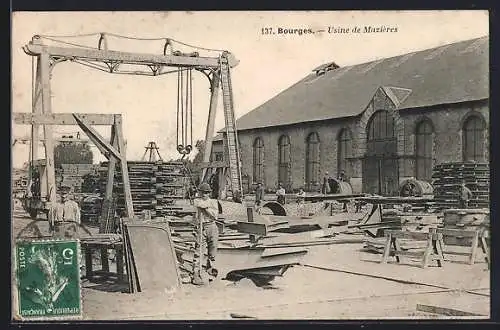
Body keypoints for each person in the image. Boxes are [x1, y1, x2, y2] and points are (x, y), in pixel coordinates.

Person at [192, 183, 220, 285]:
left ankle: (210, 269)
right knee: (198, 251)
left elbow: (214, 216)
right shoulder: (197, 201)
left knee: (213, 250)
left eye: (207, 192)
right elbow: (194, 216)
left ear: (209, 193)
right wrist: (195, 227)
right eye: (203, 192)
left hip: (212, 226)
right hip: (201, 227)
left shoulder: (213, 202)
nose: (205, 194)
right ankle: (195, 274)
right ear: (200, 192)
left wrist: (205, 208)